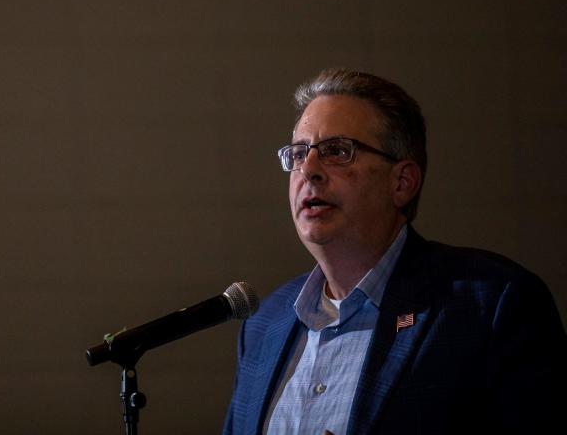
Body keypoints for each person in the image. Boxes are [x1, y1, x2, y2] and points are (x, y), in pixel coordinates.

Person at [223, 68, 565, 435]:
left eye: (337, 151)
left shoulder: (491, 304)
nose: (309, 170)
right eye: (299, 153)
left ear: (402, 183)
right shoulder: (263, 324)